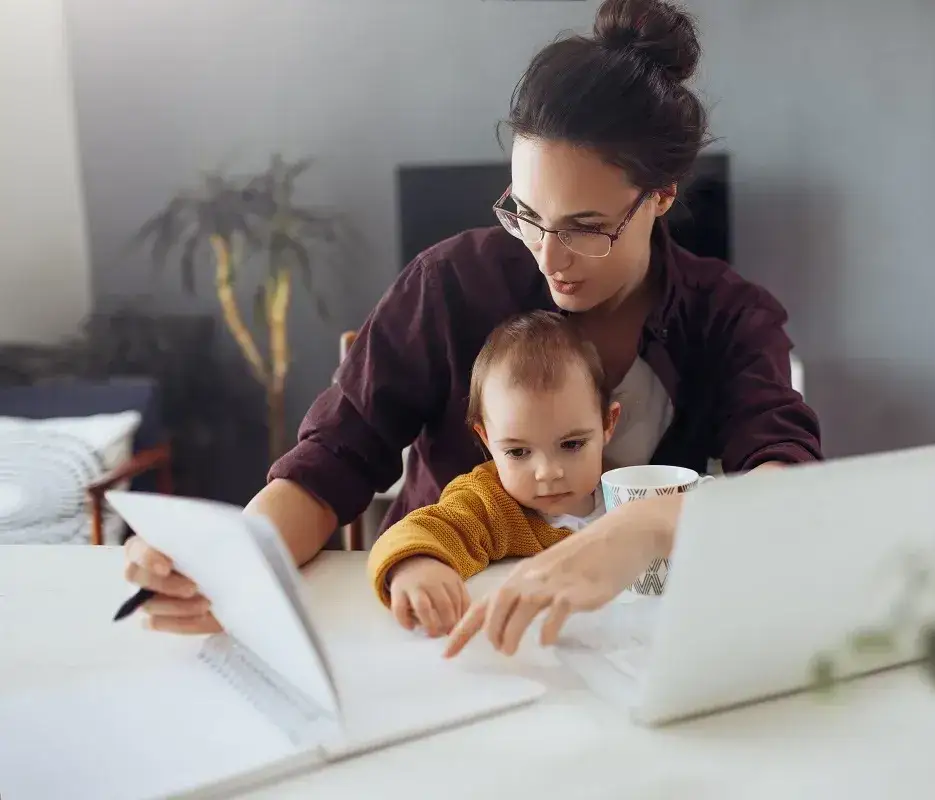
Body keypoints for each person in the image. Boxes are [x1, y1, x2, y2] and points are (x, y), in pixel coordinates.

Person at [122, 0, 822, 648]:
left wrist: (651, 524)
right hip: (444, 636)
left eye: (586, 227)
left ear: (661, 195)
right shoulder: (451, 283)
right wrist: (236, 564)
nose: (548, 258)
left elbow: (791, 489)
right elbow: (337, 454)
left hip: (635, 645)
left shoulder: (728, 317)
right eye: (528, 215)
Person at [367, 311, 619, 645]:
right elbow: (413, 532)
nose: (547, 472)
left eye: (571, 445)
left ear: (607, 424)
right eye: (518, 451)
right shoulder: (490, 504)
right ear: (486, 439)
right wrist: (417, 565)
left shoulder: (634, 494)